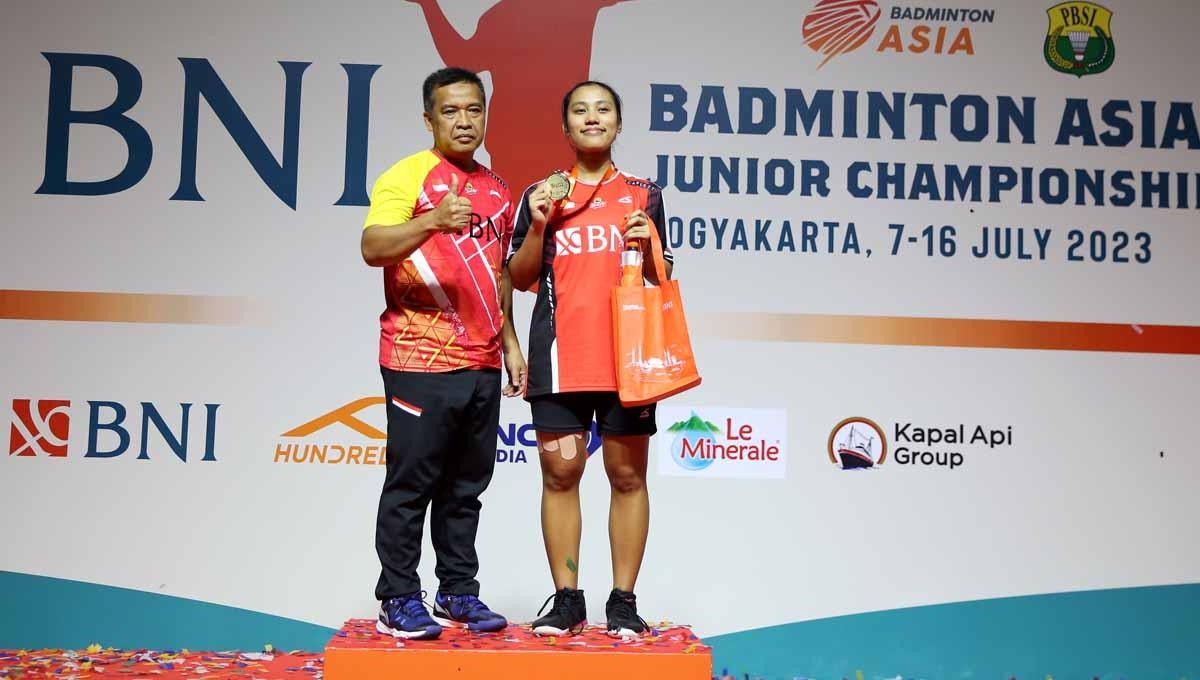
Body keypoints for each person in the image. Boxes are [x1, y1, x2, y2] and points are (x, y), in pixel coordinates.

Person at [361, 67, 525, 640]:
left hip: (479, 362)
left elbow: (498, 275)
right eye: (450, 111)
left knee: (466, 488)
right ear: (429, 118)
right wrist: (432, 219)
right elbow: (372, 246)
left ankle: (457, 590)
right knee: (411, 486)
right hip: (417, 359)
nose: (463, 121)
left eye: (473, 110)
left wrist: (509, 345)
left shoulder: (500, 191)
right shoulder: (407, 176)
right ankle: (398, 597)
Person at [506, 80, 674, 637]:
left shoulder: (644, 194)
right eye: (580, 110)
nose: (592, 117)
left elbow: (659, 278)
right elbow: (521, 277)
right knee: (560, 473)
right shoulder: (543, 192)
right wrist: (537, 222)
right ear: (565, 127)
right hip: (559, 359)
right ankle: (567, 599)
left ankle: (623, 601)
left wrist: (647, 240)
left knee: (627, 476)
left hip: (628, 363)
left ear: (618, 123)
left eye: (603, 109)